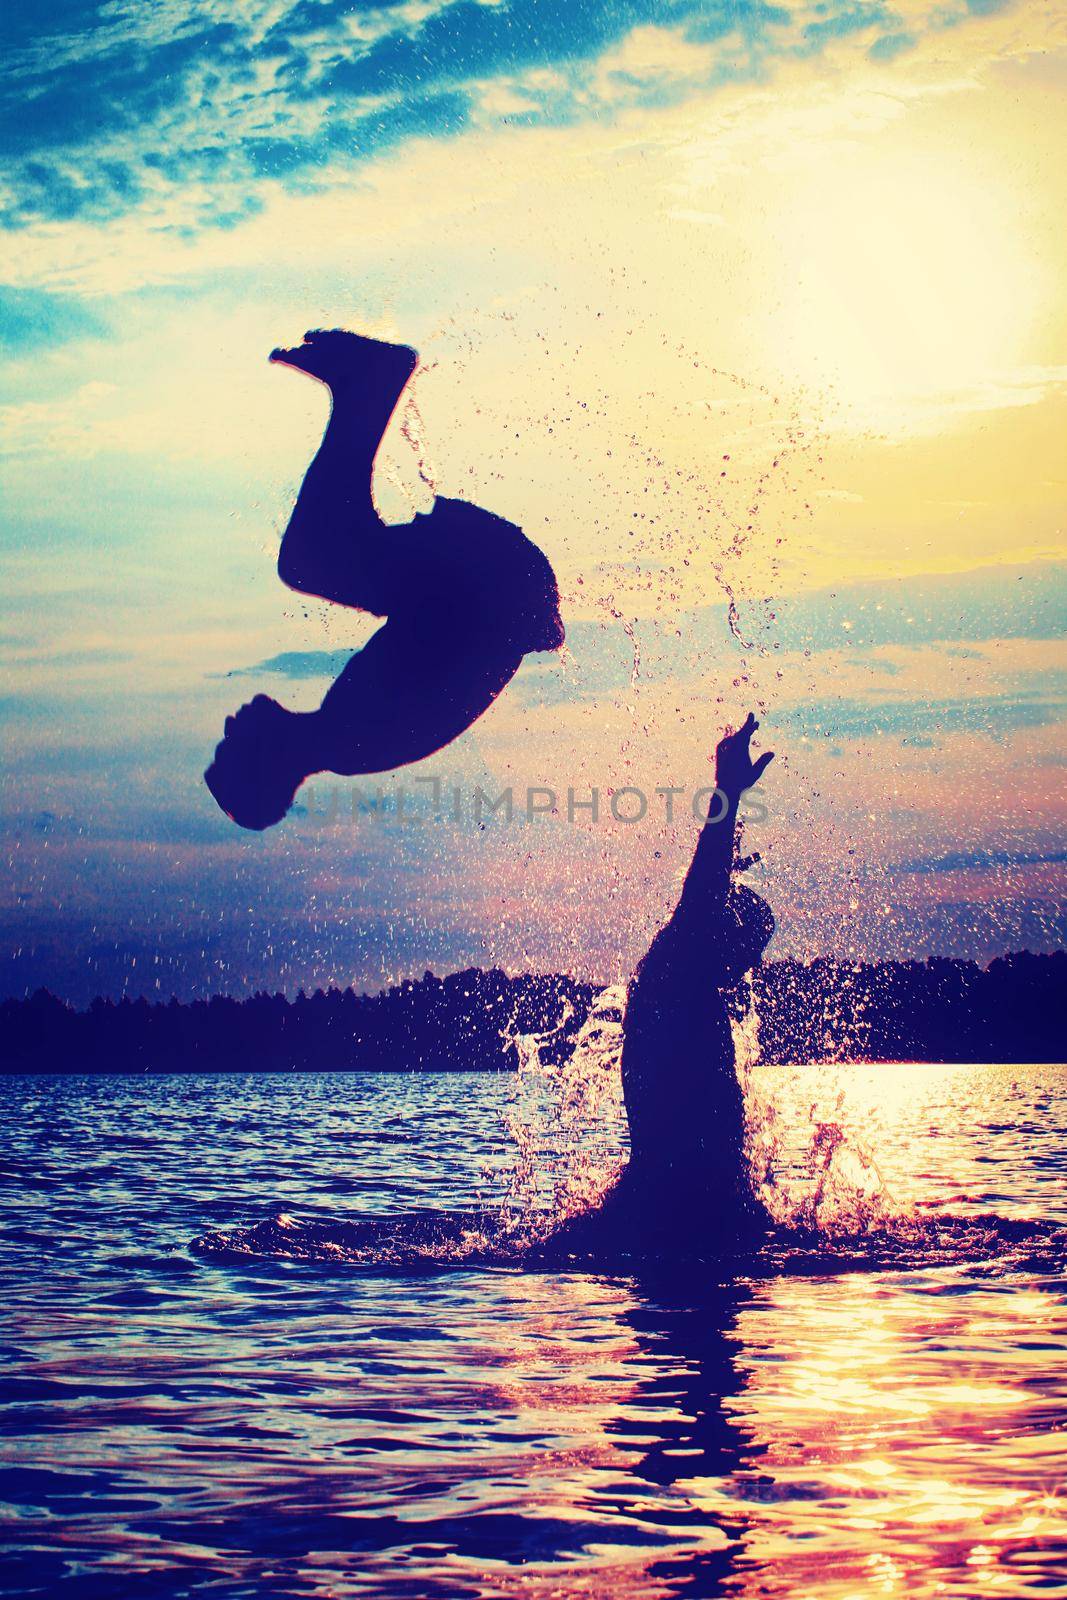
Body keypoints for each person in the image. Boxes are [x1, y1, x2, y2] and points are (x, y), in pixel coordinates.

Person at [205, 329, 564, 830]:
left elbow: (435, 645)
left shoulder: (346, 733)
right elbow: (451, 652)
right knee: (310, 561)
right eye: (228, 749)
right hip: (494, 591)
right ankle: (368, 385)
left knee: (320, 560)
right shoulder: (353, 736)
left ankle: (363, 389)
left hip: (491, 592)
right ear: (263, 762)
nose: (226, 727)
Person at [543, 713, 775, 1259]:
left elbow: (711, 886)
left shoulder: (681, 990)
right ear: (719, 934)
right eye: (748, 948)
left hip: (676, 1215)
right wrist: (727, 796)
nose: (748, 965)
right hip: (674, 1219)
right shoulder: (677, 982)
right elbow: (705, 888)